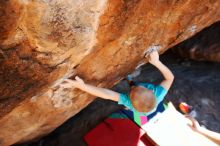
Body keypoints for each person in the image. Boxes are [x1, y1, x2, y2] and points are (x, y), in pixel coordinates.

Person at [61, 51, 174, 116]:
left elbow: (107, 94)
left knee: (131, 98)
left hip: (139, 110)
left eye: (132, 90)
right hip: (144, 104)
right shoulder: (159, 94)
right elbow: (170, 78)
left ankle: (129, 81)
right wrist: (157, 62)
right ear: (151, 90)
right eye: (139, 88)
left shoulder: (129, 102)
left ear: (129, 98)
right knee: (133, 84)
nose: (135, 87)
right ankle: (129, 79)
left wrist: (82, 86)